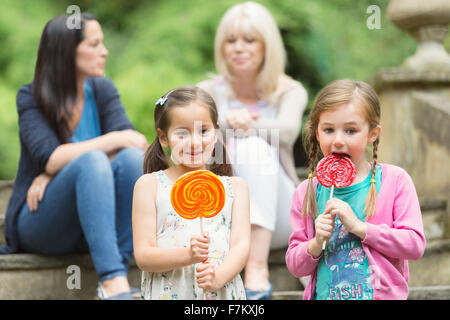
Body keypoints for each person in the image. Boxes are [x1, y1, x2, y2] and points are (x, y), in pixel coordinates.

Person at [0, 13, 148, 300]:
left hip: (94, 222)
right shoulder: (31, 97)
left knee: (131, 160)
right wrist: (75, 160)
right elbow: (50, 157)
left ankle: (116, 263)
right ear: (67, 52)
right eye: (94, 44)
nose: (104, 51)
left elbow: (137, 143)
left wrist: (59, 168)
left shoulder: (102, 90)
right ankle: (113, 280)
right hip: (43, 220)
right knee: (92, 161)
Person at [197, 1, 308, 299]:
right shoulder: (206, 91)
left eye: (249, 40)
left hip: (281, 217)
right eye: (231, 41)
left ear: (266, 46)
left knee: (255, 147)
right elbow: (192, 136)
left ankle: (256, 267)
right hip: (221, 211)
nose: (238, 48)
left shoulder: (290, 91)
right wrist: (227, 124)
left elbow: (286, 133)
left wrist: (244, 126)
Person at [285, 79, 426, 300]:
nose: (338, 140)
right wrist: (315, 243)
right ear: (316, 133)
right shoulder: (307, 192)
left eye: (350, 130)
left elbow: (415, 244)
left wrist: (361, 228)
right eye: (329, 130)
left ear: (372, 134)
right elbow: (295, 265)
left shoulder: (395, 181)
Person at [132, 86, 250, 300]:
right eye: (182, 133)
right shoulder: (149, 185)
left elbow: (241, 246)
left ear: (215, 133)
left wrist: (218, 277)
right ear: (163, 137)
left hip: (220, 292)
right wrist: (187, 255)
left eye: (203, 131)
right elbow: (143, 255)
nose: (195, 142)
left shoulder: (236, 187)